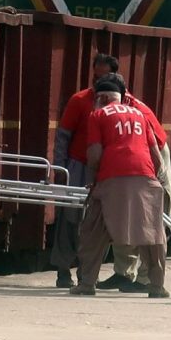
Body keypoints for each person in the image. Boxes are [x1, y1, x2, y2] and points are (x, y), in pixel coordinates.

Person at [70, 74, 170, 298]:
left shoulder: (97, 115)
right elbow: (156, 156)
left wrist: (94, 180)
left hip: (111, 178)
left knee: (93, 231)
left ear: (103, 98)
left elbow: (95, 155)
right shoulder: (140, 115)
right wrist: (156, 180)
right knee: (152, 234)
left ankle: (87, 283)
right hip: (145, 178)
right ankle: (157, 286)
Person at [96, 93, 171, 293]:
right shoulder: (118, 107)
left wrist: (156, 180)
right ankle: (124, 272)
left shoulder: (131, 111)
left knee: (149, 222)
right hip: (139, 158)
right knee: (125, 217)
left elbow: (154, 149)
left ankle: (146, 278)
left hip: (151, 157)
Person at [50, 53, 118, 288]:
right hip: (78, 167)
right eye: (96, 76)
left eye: (104, 76)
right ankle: (62, 271)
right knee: (69, 220)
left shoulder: (120, 104)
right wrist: (61, 167)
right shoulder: (79, 100)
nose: (98, 81)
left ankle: (87, 272)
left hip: (106, 169)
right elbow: (63, 135)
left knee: (97, 222)